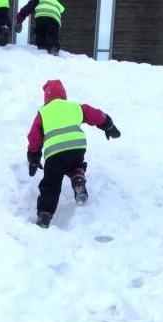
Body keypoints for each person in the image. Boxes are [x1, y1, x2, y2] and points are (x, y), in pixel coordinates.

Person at [26, 79, 121, 228]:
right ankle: (77, 177)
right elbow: (95, 115)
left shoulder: (43, 113)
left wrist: (33, 158)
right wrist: (108, 125)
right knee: (74, 165)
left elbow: (34, 137)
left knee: (51, 183)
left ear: (46, 97)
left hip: (54, 154)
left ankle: (45, 214)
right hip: (77, 148)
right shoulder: (75, 107)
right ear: (64, 94)